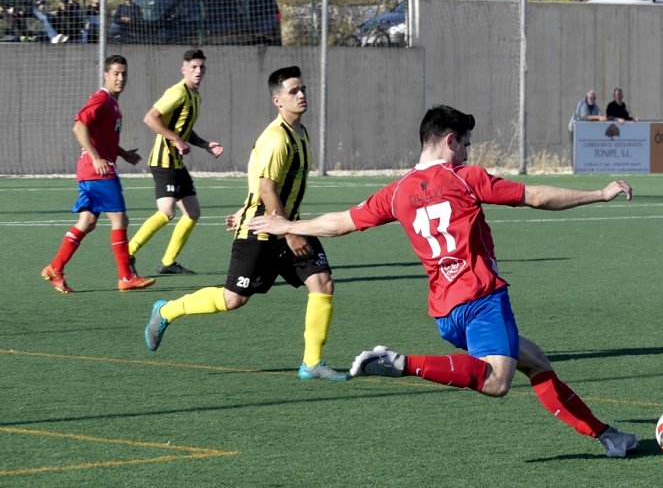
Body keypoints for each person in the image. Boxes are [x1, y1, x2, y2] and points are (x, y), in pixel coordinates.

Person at [246, 105, 638, 457]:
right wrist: (599, 193)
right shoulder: (465, 178)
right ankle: (397, 363)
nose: (467, 154)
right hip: (482, 298)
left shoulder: (397, 192)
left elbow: (341, 223)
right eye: (465, 145)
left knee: (534, 361)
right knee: (497, 381)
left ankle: (608, 436)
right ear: (449, 141)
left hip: (446, 313)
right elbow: (535, 196)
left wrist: (288, 224)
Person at [143, 65, 348, 382]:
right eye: (294, 91)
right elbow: (267, 189)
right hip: (265, 231)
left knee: (322, 283)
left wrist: (256, 214)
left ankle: (312, 364)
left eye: (303, 88)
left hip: (286, 224)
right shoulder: (276, 138)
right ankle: (166, 310)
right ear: (277, 100)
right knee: (233, 299)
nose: (302, 95)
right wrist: (287, 233)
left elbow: (260, 185)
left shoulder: (301, 133)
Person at [41, 55, 156, 294]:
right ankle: (125, 276)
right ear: (106, 75)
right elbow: (79, 126)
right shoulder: (101, 98)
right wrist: (96, 157)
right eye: (115, 73)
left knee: (87, 222)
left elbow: (99, 135)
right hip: (98, 172)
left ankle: (55, 267)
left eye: (123, 73)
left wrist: (122, 153)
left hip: (89, 171)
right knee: (119, 220)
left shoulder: (112, 103)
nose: (120, 78)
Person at [127, 49, 224, 275]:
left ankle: (168, 263)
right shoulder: (177, 92)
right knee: (167, 212)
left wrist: (205, 145)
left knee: (193, 213)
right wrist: (176, 140)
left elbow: (184, 129)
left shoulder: (195, 96)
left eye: (201, 67)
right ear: (184, 70)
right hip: (163, 161)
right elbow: (150, 118)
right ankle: (128, 252)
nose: (198, 71)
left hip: (177, 163)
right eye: (193, 67)